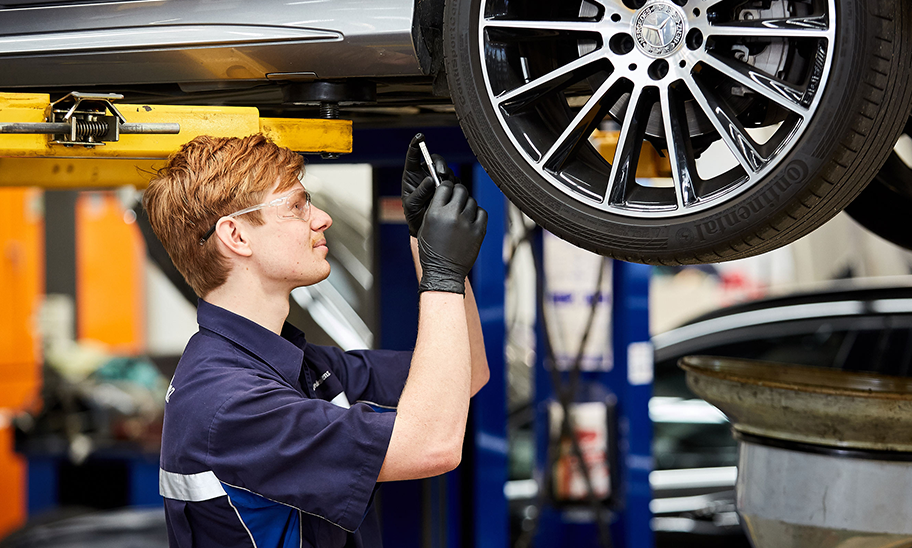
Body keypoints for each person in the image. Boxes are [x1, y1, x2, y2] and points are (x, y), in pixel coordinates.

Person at [143, 133, 489, 548]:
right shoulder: (230, 404)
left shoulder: (297, 366)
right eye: (296, 205)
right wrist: (442, 274)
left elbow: (467, 373)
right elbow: (431, 445)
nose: (322, 218)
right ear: (236, 236)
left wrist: (423, 240)